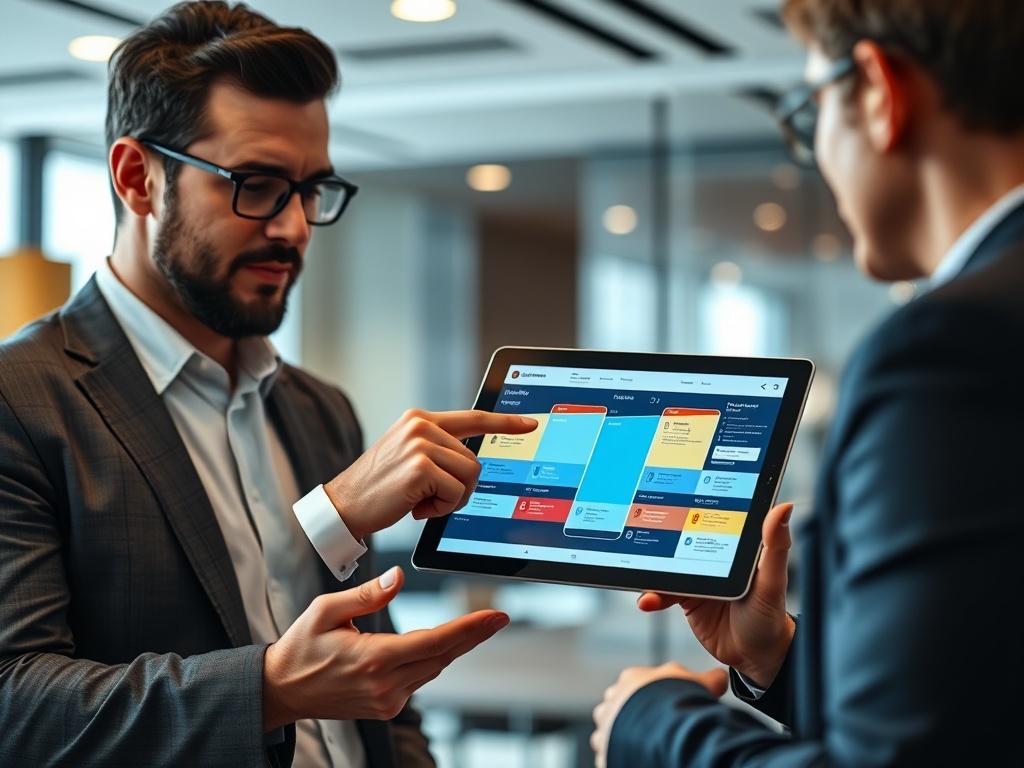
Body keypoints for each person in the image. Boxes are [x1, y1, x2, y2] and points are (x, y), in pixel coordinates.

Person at [0, 3, 537, 766]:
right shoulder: (20, 402)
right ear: (136, 177)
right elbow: (14, 706)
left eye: (311, 189)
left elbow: (376, 696)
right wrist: (272, 689)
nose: (291, 228)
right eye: (255, 184)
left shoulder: (319, 411)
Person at [592, 0, 1024, 765]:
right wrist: (778, 660)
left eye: (810, 109)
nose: (816, 152)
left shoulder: (951, 349)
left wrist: (652, 723)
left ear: (877, 89)